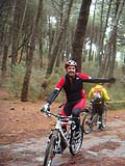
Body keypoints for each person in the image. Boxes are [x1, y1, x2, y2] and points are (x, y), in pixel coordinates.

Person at [42, 60, 115, 132]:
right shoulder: (63, 80)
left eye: (73, 68)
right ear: (66, 69)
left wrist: (107, 80)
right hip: (69, 102)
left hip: (80, 100)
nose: (71, 70)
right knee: (62, 119)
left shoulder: (80, 76)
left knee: (75, 112)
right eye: (69, 68)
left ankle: (76, 132)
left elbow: (93, 79)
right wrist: (48, 104)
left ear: (75, 69)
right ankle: (62, 138)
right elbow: (55, 92)